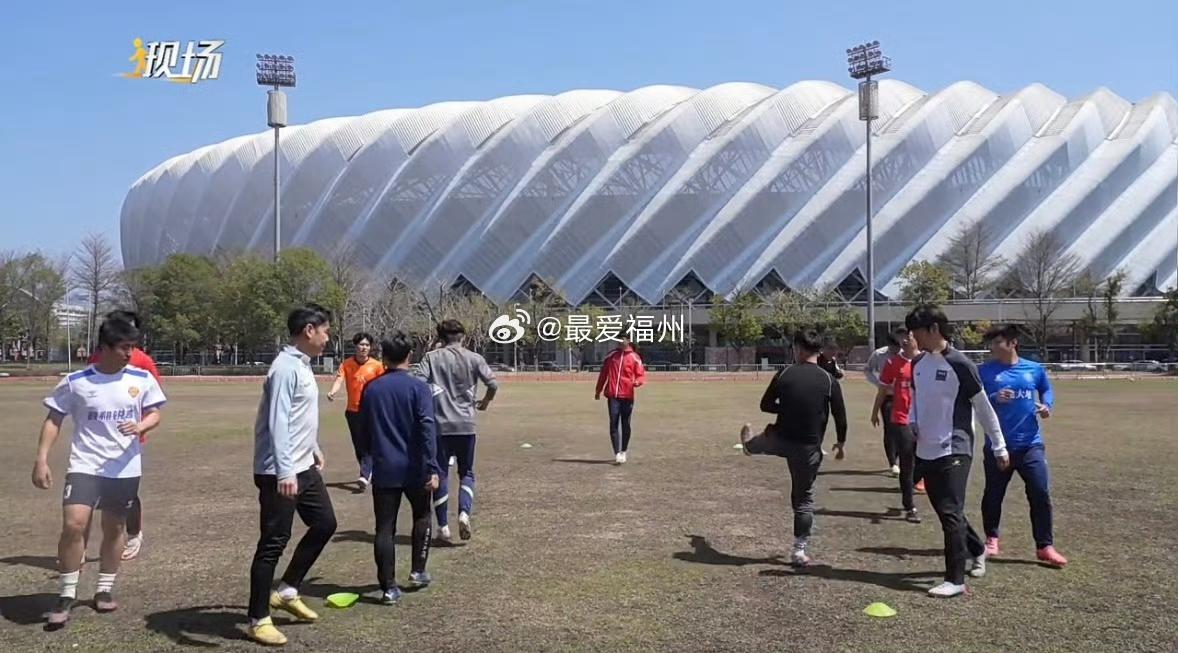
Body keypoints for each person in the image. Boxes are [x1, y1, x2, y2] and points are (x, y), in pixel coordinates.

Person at [32, 316, 166, 629]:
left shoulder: (141, 379)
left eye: (132, 347)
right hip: (85, 465)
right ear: (104, 347)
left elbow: (155, 413)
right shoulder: (76, 382)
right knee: (73, 525)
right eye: (123, 347)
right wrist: (41, 459)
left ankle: (104, 589)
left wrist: (141, 426)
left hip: (124, 467)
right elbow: (54, 419)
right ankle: (66, 594)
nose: (130, 353)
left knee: (115, 527)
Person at [247, 305, 337, 647]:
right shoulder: (284, 368)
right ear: (309, 330)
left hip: (303, 465)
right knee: (273, 541)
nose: (328, 339)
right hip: (279, 471)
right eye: (325, 331)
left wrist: (313, 446)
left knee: (325, 523)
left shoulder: (302, 364)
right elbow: (278, 420)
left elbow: (299, 416)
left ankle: (286, 590)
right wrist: (284, 470)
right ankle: (258, 618)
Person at [905, 304, 1009, 598]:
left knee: (951, 512)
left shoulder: (960, 364)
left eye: (916, 332)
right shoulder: (918, 363)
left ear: (934, 329)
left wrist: (999, 445)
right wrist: (913, 420)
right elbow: (915, 398)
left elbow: (983, 407)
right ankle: (977, 549)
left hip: (955, 448)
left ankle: (955, 580)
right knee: (946, 511)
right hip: (926, 448)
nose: (912, 338)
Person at [738, 329, 848, 566]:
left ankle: (750, 446)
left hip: (780, 438)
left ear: (797, 348)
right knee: (804, 498)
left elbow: (765, 405)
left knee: (762, 441)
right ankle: (799, 550)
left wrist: (787, 408)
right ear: (819, 351)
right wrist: (840, 442)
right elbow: (840, 416)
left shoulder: (785, 373)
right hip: (807, 446)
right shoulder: (828, 380)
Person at [359, 332, 441, 603]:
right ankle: (418, 570)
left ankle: (388, 588)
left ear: (383, 356)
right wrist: (432, 467)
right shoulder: (419, 388)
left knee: (385, 528)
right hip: (415, 467)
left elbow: (363, 431)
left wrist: (368, 461)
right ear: (410, 356)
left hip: (385, 467)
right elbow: (427, 428)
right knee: (422, 515)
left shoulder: (372, 389)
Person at [978, 324, 1068, 568]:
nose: (993, 347)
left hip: (1031, 445)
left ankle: (1045, 546)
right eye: (991, 343)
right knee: (993, 494)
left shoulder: (1034, 369)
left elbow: (1046, 389)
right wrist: (995, 398)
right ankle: (991, 539)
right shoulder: (984, 371)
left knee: (1040, 493)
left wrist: (1047, 405)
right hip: (998, 446)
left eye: (998, 342)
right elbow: (975, 401)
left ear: (1013, 343)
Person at [411, 319, 497, 544]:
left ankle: (443, 527)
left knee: (440, 474)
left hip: (439, 426)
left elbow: (417, 383)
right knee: (466, 472)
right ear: (463, 336)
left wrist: (434, 392)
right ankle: (464, 513)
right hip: (466, 425)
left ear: (441, 338)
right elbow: (493, 384)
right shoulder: (475, 358)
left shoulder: (431, 357)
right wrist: (485, 401)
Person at [85, 309, 160, 561]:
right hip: (98, 440)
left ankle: (134, 534)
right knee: (92, 489)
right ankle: (80, 544)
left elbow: (153, 401)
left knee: (126, 491)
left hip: (129, 438)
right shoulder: (98, 357)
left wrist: (140, 426)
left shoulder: (142, 361)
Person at [871, 327, 922, 523]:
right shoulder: (893, 363)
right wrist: (875, 411)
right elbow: (883, 390)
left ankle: (914, 484)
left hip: (925, 420)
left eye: (909, 337)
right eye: (903, 338)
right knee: (907, 462)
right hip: (902, 418)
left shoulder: (926, 362)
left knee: (923, 462)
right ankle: (910, 506)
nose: (905, 340)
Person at [327, 332, 383, 489]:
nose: (364, 348)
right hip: (353, 411)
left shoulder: (377, 366)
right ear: (355, 346)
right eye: (361, 344)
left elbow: (383, 385)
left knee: (369, 443)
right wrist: (332, 392)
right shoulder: (347, 364)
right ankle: (367, 471)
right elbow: (339, 379)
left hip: (371, 411)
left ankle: (365, 474)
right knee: (359, 445)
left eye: (367, 345)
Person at [594, 336, 647, 464]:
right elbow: (603, 374)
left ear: (628, 341)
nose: (620, 341)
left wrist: (637, 382)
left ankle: (623, 451)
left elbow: (641, 374)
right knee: (613, 423)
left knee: (625, 424)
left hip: (627, 395)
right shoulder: (611, 356)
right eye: (618, 339)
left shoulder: (634, 357)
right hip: (613, 395)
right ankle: (617, 452)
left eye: (623, 339)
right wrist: (598, 390)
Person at [865, 332, 903, 476]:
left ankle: (899, 457)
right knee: (890, 428)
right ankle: (893, 462)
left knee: (902, 429)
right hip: (887, 396)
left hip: (904, 396)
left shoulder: (906, 354)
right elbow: (868, 370)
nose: (896, 350)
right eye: (894, 347)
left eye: (898, 347)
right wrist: (879, 384)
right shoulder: (879, 354)